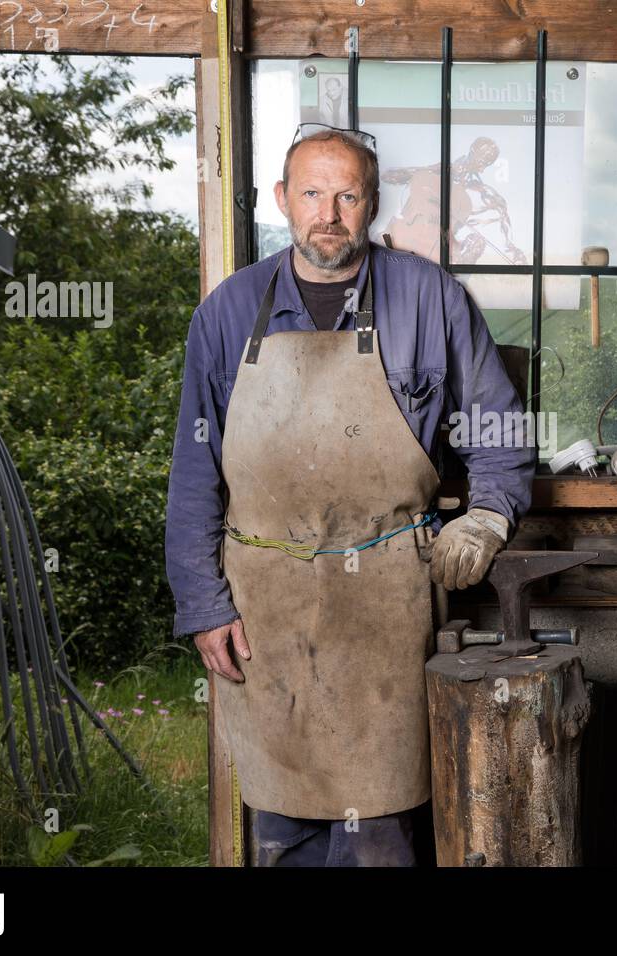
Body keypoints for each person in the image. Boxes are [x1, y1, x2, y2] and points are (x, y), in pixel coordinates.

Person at [164, 124, 534, 866]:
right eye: (311, 193)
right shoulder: (230, 312)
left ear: (370, 204)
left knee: (383, 832)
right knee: (281, 824)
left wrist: (488, 517)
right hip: (266, 610)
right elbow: (195, 474)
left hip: (386, 608)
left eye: (347, 194)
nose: (327, 213)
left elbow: (495, 427)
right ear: (281, 200)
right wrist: (204, 605)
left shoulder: (430, 298)